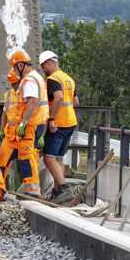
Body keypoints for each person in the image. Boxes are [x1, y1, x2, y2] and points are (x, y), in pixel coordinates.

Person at [7, 49, 49, 197]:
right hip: (39, 122)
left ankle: (32, 190)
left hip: (32, 123)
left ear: (20, 65)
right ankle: (31, 188)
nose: (14, 71)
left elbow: (32, 102)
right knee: (31, 155)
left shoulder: (29, 80)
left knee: (26, 156)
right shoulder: (37, 77)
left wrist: (23, 123)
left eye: (14, 67)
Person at [39, 51, 78, 201]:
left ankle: (63, 188)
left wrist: (52, 118)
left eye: (43, 66)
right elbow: (76, 102)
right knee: (58, 158)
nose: (43, 70)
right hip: (70, 122)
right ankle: (57, 191)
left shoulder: (53, 79)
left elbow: (59, 97)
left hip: (59, 123)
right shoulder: (68, 79)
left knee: (49, 158)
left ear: (49, 63)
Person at [0, 68, 20, 176]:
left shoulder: (27, 94)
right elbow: (4, 114)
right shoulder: (9, 95)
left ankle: (31, 190)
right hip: (9, 136)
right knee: (0, 162)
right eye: (12, 83)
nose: (14, 86)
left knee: (27, 165)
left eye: (16, 83)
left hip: (23, 136)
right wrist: (1, 131)